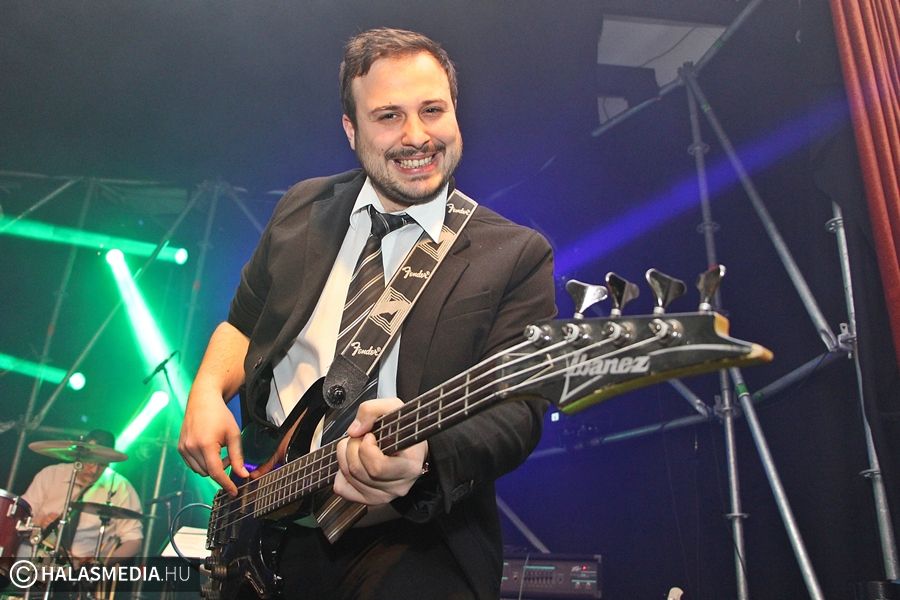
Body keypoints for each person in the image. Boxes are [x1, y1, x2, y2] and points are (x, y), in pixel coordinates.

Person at [178, 27, 556, 599]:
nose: (417, 135)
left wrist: (426, 458)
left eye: (433, 110)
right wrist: (206, 392)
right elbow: (243, 325)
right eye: (388, 116)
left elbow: (519, 413)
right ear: (351, 130)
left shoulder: (515, 254)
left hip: (415, 541)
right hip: (265, 523)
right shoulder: (301, 208)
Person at [19, 429, 143, 564]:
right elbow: (19, 516)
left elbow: (134, 540)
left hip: (78, 569)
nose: (94, 470)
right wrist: (40, 522)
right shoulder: (51, 474)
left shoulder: (121, 487)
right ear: (80, 456)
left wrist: (101, 563)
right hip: (33, 555)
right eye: (91, 462)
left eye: (102, 465)